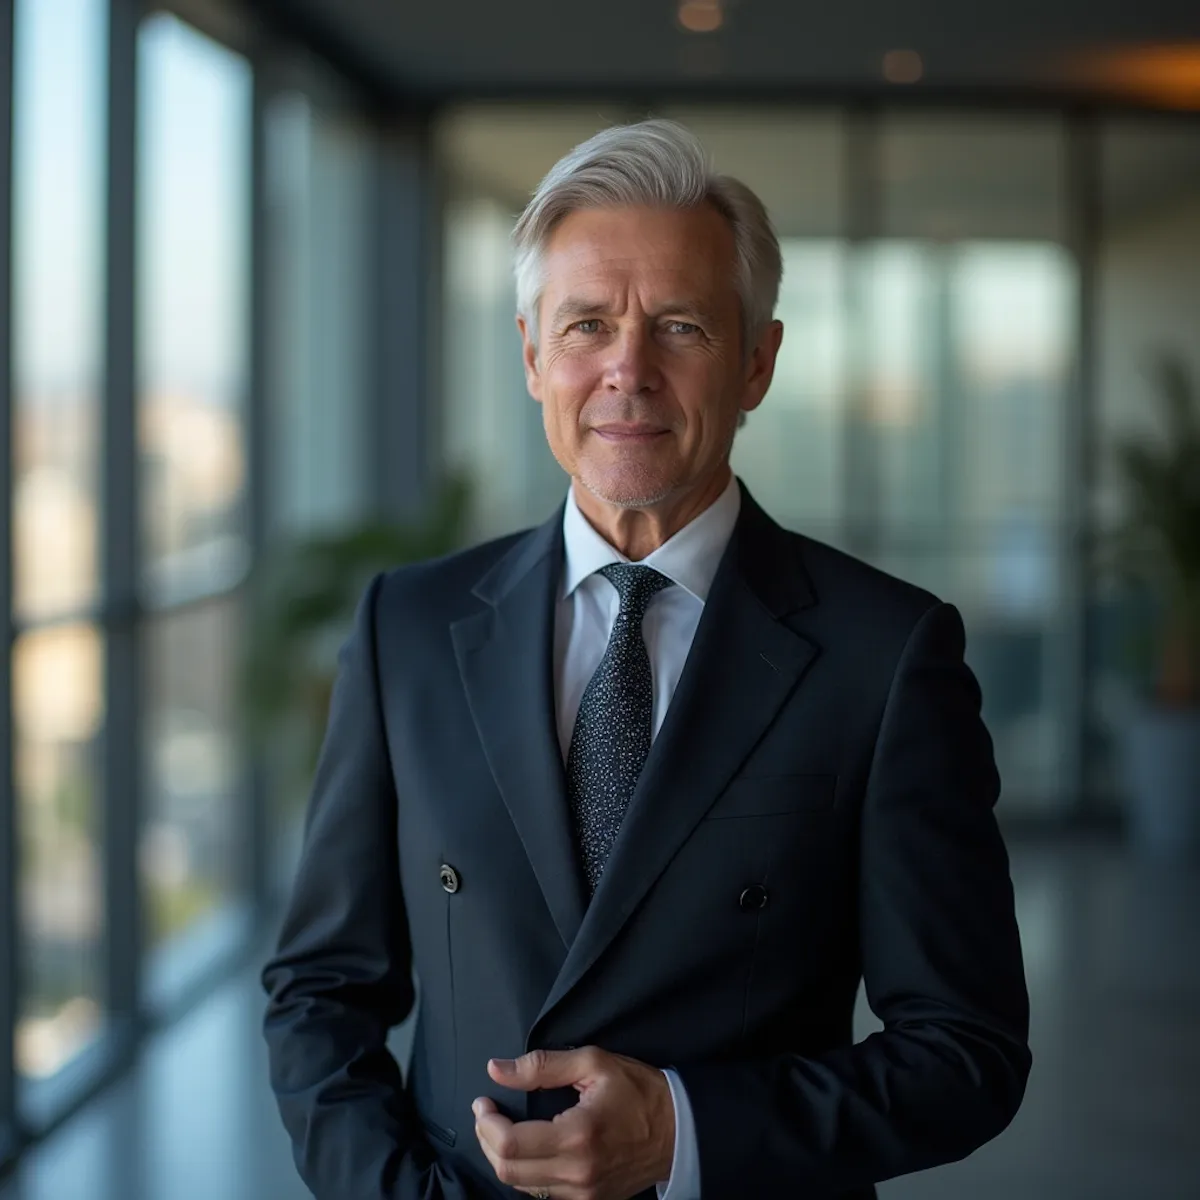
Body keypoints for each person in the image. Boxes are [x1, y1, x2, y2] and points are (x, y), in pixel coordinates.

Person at [261, 119, 1031, 1200]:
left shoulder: (886, 654)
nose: (628, 370)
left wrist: (682, 1134)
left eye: (681, 326)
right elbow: (320, 991)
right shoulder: (410, 629)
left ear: (757, 361)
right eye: (587, 325)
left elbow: (967, 1051)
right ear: (532, 356)